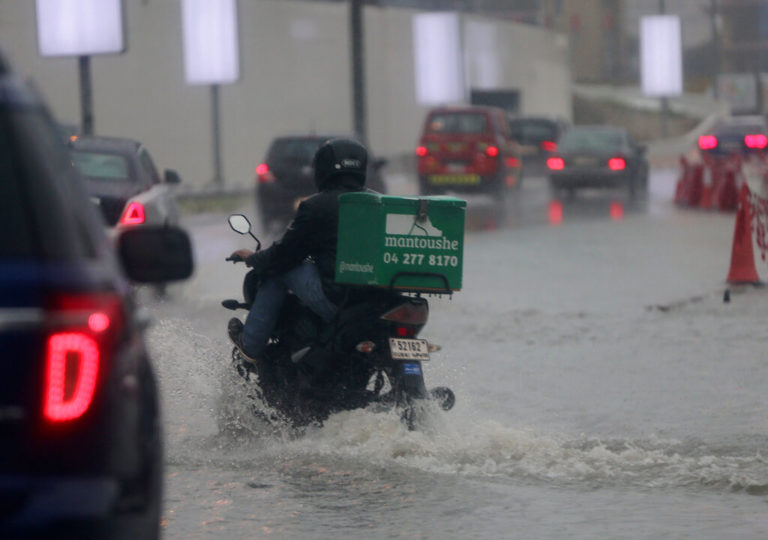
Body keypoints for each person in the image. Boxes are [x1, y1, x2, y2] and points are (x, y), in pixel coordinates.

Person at [228, 137, 371, 362]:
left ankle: (251, 344)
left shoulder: (316, 205)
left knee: (281, 271)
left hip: (338, 300)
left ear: (322, 169)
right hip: (379, 301)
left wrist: (254, 258)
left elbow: (284, 255)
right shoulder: (379, 204)